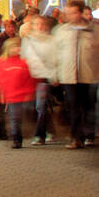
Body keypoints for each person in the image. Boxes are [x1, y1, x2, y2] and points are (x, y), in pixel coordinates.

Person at [53, 0, 99, 148]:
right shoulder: (61, 31)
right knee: (73, 106)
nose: (70, 16)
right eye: (67, 13)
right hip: (68, 75)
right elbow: (54, 53)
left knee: (88, 106)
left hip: (90, 74)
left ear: (80, 13)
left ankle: (88, 134)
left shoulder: (96, 30)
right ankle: (75, 137)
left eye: (73, 12)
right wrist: (54, 73)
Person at [0, 38, 36, 149]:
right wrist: (1, 91)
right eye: (14, 47)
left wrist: (30, 91)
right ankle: (16, 138)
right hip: (11, 96)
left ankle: (22, 134)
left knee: (23, 116)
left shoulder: (24, 62)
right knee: (15, 118)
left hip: (24, 95)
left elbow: (31, 78)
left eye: (18, 47)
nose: (17, 49)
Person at [21, 14, 57, 145]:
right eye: (37, 24)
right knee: (33, 107)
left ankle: (39, 135)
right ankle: (49, 130)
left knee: (40, 106)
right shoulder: (28, 40)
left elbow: (55, 59)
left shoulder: (52, 40)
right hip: (30, 78)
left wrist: (54, 75)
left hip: (43, 77)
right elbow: (23, 58)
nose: (40, 27)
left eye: (42, 24)